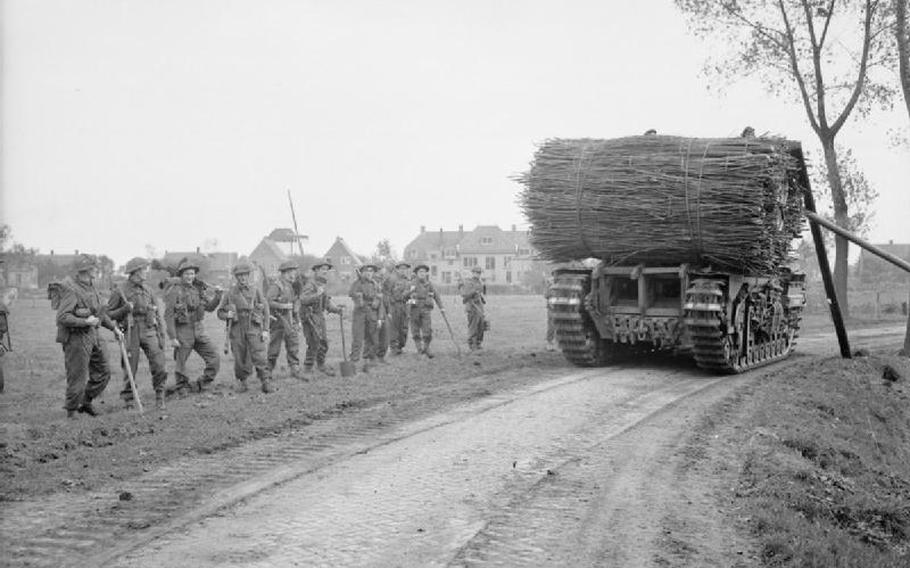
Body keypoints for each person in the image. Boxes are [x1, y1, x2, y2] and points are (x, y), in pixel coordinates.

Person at [55, 254, 122, 418]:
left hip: (93, 334)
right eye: (93, 268)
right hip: (76, 338)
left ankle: (85, 402)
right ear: (84, 271)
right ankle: (71, 412)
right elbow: (62, 317)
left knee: (104, 371)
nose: (95, 271)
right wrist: (85, 321)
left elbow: (99, 313)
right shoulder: (71, 289)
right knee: (77, 376)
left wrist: (114, 328)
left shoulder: (92, 287)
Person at [107, 257, 168, 410]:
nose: (145, 273)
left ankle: (160, 395)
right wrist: (124, 310)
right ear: (135, 272)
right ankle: (129, 399)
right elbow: (108, 314)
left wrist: (161, 334)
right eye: (143, 270)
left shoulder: (148, 290)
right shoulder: (120, 290)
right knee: (130, 367)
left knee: (159, 363)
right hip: (130, 330)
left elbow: (158, 314)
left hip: (149, 329)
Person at [163, 258, 222, 395]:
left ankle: (203, 383)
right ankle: (182, 386)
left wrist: (218, 296)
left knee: (214, 357)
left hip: (198, 330)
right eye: (187, 274)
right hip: (183, 331)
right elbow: (169, 315)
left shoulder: (198, 290)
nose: (190, 276)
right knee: (181, 363)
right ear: (181, 275)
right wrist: (172, 337)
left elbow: (210, 308)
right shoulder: (174, 291)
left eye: (192, 274)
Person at [217, 263, 274, 393]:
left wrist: (265, 329)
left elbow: (265, 310)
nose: (242, 278)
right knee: (239, 357)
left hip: (253, 326)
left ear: (248, 276)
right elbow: (219, 312)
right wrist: (227, 314)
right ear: (236, 277)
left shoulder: (255, 290)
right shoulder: (230, 293)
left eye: (244, 275)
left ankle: (265, 381)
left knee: (259, 355)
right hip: (237, 328)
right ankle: (242, 381)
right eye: (239, 276)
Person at [298, 261, 344, 376]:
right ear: (316, 270)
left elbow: (326, 303)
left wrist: (336, 309)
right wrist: (316, 295)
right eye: (323, 269)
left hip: (319, 316)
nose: (325, 271)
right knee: (314, 342)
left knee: (323, 342)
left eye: (326, 269)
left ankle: (321, 365)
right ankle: (308, 368)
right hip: (309, 316)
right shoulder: (310, 285)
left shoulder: (321, 284)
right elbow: (303, 299)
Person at [266, 260, 303, 379]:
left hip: (289, 320)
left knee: (293, 344)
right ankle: (267, 372)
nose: (293, 275)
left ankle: (295, 369)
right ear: (283, 274)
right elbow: (268, 302)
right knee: (274, 348)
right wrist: (282, 306)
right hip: (277, 321)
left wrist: (297, 321)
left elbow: (293, 305)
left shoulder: (290, 287)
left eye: (294, 272)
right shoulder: (276, 286)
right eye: (289, 273)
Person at [348, 264, 385, 372]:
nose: (369, 273)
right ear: (362, 272)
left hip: (372, 314)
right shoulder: (357, 283)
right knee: (357, 338)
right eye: (366, 271)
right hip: (360, 314)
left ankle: (369, 361)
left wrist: (379, 318)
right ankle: (354, 362)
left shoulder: (375, 284)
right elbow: (351, 293)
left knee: (372, 339)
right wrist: (358, 295)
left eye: (371, 271)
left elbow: (380, 300)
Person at [407, 264, 445, 358]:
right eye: (420, 272)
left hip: (425, 309)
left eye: (424, 272)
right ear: (416, 273)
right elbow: (404, 296)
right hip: (414, 309)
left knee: (427, 331)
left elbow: (436, 295)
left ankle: (426, 348)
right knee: (415, 331)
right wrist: (410, 292)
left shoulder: (429, 284)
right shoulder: (411, 284)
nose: (422, 274)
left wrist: (441, 307)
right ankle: (419, 350)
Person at [385, 261, 412, 355]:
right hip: (394, 305)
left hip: (404, 306)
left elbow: (409, 296)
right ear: (397, 269)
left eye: (405, 269)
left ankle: (400, 346)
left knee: (403, 327)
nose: (403, 271)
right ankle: (393, 347)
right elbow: (386, 293)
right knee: (394, 327)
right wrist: (388, 308)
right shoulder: (392, 279)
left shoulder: (408, 281)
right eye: (401, 268)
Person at [460, 266, 487, 352]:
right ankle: (472, 344)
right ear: (472, 273)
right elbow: (465, 295)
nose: (477, 274)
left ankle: (478, 343)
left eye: (479, 273)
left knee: (481, 325)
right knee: (473, 326)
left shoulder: (480, 282)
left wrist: (481, 297)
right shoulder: (469, 282)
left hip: (479, 306)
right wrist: (474, 291)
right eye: (476, 272)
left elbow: (481, 293)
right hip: (472, 306)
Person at [544, 276, 556, 351]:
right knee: (551, 325)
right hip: (552, 308)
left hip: (561, 307)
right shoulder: (550, 287)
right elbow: (546, 295)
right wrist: (549, 286)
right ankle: (550, 342)